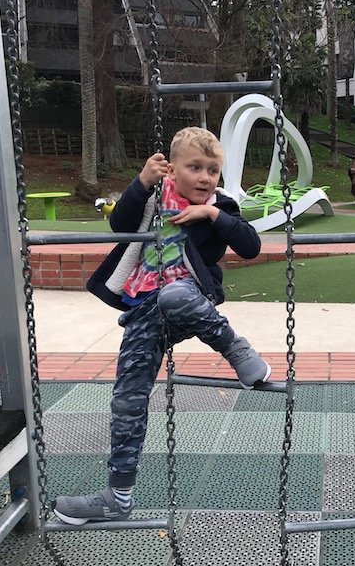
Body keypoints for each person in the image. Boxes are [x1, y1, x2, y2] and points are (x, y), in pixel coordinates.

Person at [52, 127, 270, 525]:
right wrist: (140, 183)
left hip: (191, 300)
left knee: (174, 296)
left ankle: (234, 348)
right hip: (144, 309)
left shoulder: (221, 205)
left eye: (213, 170)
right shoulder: (154, 196)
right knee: (126, 398)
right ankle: (118, 496)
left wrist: (212, 213)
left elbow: (251, 246)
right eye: (195, 168)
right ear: (173, 169)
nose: (205, 178)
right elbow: (119, 224)